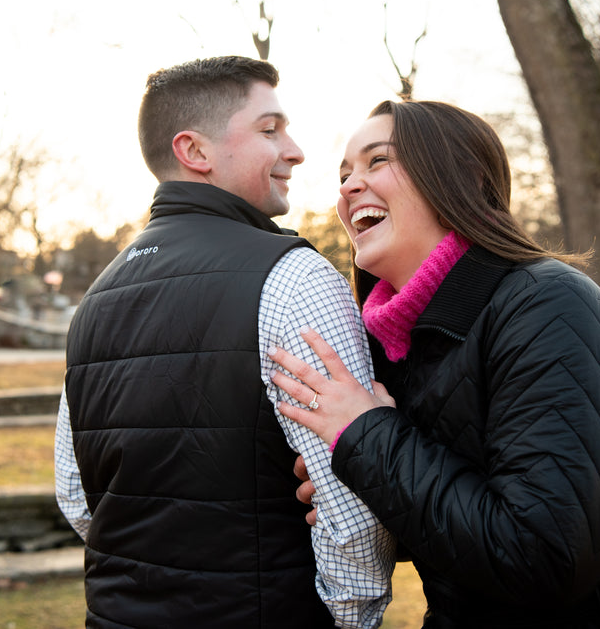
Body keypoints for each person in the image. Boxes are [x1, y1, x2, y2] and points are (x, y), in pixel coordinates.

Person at [269, 100, 600, 628]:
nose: (348, 187)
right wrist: (359, 483)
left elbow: (543, 559)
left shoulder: (551, 308)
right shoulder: (397, 342)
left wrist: (368, 436)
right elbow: (459, 520)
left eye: (378, 161)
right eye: (345, 173)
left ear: (457, 178)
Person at [54, 56, 395, 629]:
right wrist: (351, 618)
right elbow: (351, 498)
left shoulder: (95, 298)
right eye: (269, 130)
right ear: (195, 152)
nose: (295, 150)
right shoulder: (295, 278)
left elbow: (77, 496)